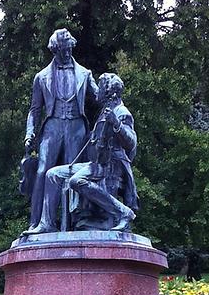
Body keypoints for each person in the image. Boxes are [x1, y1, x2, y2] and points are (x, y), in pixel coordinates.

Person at [21, 28, 98, 234]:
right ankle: (38, 222)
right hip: (52, 126)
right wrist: (30, 133)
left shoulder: (85, 73)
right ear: (55, 50)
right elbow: (35, 110)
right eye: (62, 50)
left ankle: (74, 223)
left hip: (76, 126)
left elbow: (99, 98)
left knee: (72, 172)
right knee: (42, 171)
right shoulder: (41, 77)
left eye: (69, 48)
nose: (66, 53)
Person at [43, 72, 137, 232]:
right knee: (53, 174)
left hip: (112, 165)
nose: (97, 92)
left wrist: (117, 124)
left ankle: (123, 212)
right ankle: (47, 225)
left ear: (109, 92)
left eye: (100, 88)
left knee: (75, 181)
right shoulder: (105, 110)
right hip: (97, 164)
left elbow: (131, 142)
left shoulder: (122, 112)